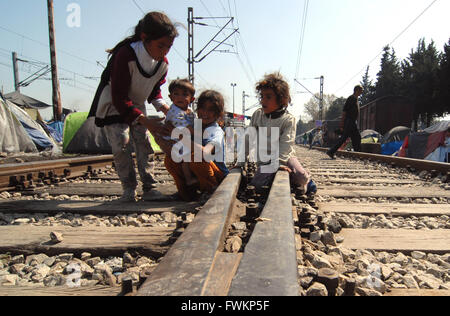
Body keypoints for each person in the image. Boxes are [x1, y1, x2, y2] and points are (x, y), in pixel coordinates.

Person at [88, 12, 178, 202]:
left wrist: (167, 109)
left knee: (143, 143)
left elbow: (154, 92)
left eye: (169, 47)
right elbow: (119, 97)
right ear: (145, 38)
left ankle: (150, 187)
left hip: (135, 104)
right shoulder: (126, 55)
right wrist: (146, 120)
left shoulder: (162, 64)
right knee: (122, 144)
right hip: (114, 104)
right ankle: (128, 189)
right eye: (160, 45)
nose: (164, 51)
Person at [242, 72, 315, 194]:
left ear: (281, 99)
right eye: (262, 96)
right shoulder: (257, 115)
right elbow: (248, 139)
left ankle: (308, 181)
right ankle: (279, 178)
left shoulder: (288, 119)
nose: (263, 101)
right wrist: (241, 162)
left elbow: (286, 144)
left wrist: (279, 164)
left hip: (285, 158)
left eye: (268, 97)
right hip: (265, 160)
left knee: (301, 177)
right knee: (257, 185)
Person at [162, 90, 229, 202]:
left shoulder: (215, 131)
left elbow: (206, 152)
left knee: (196, 157)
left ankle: (210, 190)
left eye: (211, 109)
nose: (205, 113)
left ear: (218, 113)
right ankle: (185, 192)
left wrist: (181, 137)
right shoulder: (194, 126)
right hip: (195, 173)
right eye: (202, 108)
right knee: (171, 159)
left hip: (216, 175)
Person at [164, 79, 197, 186]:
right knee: (186, 157)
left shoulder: (190, 111)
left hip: (182, 138)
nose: (179, 97)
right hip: (173, 141)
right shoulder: (175, 111)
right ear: (170, 97)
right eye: (176, 94)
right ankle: (188, 179)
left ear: (191, 99)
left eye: (184, 94)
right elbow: (188, 129)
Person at [327, 85, 363, 159]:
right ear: (356, 90)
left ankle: (357, 154)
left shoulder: (355, 99)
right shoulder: (351, 98)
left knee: (356, 137)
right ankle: (331, 151)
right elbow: (344, 111)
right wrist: (342, 123)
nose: (362, 92)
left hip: (352, 122)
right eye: (361, 90)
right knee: (345, 138)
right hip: (349, 121)